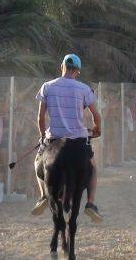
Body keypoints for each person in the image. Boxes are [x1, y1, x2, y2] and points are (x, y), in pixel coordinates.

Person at [31, 54, 102, 222]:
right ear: (77, 71)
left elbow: (40, 118)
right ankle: (91, 203)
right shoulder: (84, 89)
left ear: (61, 66)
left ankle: (42, 196)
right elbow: (96, 115)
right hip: (77, 139)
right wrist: (97, 129)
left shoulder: (47, 87)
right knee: (92, 167)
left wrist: (42, 136)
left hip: (54, 137)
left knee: (37, 160)